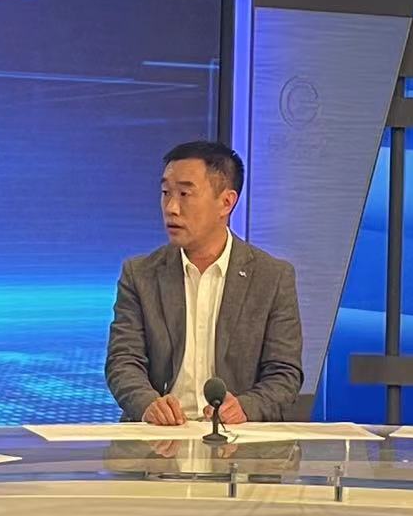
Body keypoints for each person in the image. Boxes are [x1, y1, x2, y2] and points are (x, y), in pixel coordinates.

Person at [105, 140, 304, 425]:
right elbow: (123, 361)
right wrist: (148, 404)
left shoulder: (272, 277)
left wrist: (246, 407)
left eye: (185, 194)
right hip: (159, 436)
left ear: (226, 202)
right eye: (165, 193)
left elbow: (285, 374)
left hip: (238, 438)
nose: (171, 207)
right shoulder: (140, 274)